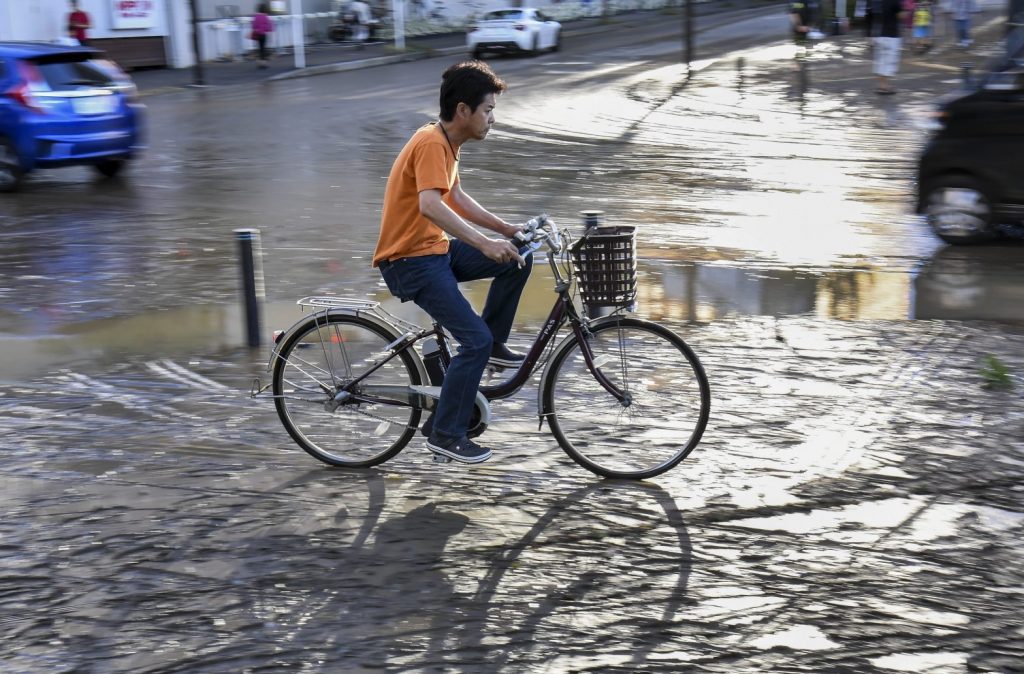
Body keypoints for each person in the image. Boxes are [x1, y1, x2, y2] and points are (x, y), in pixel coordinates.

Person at [373, 61, 531, 465]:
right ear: (463, 110)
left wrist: (506, 231)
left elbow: (455, 197)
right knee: (471, 341)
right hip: (412, 261)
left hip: (434, 252)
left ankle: (493, 344)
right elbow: (430, 205)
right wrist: (482, 242)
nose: (492, 118)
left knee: (517, 259)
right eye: (488, 110)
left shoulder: (446, 143)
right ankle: (446, 434)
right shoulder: (431, 143)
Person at [873, 0, 906, 94]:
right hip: (891, 35)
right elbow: (902, 15)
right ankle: (885, 86)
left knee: (880, 61)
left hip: (878, 35)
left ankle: (881, 85)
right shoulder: (895, 1)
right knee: (889, 62)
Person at [251, 3, 274, 68]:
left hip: (257, 34)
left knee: (259, 48)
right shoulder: (265, 16)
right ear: (265, 9)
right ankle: (263, 64)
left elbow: (253, 26)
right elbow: (269, 26)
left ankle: (258, 63)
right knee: (263, 49)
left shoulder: (256, 16)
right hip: (263, 34)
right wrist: (268, 31)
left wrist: (257, 29)